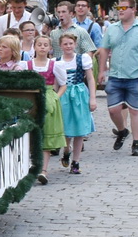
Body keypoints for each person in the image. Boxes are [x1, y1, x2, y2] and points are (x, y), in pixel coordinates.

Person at [98, 0, 138, 157]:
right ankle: (122, 131)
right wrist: (101, 71)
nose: (120, 11)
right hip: (116, 75)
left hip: (135, 76)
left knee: (135, 110)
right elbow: (104, 50)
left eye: (124, 8)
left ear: (133, 9)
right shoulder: (112, 29)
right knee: (113, 110)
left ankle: (136, 142)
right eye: (119, 8)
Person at [55, 31, 95, 174]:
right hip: (64, 94)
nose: (68, 46)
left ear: (75, 44)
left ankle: (76, 161)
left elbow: (90, 78)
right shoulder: (57, 62)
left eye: (70, 43)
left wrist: (92, 98)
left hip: (79, 94)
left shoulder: (82, 59)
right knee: (65, 128)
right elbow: (56, 83)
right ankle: (66, 150)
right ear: (60, 46)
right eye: (65, 44)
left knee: (80, 129)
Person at [28, 34, 64, 175]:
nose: (42, 48)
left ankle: (43, 170)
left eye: (45, 45)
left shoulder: (54, 65)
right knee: (31, 133)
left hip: (48, 98)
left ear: (50, 48)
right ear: (34, 47)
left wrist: (55, 98)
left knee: (46, 134)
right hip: (32, 98)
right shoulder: (27, 65)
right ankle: (31, 166)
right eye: (39, 45)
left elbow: (63, 84)